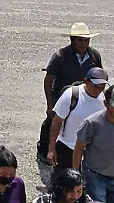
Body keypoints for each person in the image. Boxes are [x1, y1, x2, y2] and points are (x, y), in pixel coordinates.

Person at [39, 22, 104, 164]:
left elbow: (99, 77)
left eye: (86, 40)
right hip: (62, 96)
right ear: (72, 40)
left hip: (86, 95)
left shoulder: (94, 56)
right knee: (53, 121)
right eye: (80, 40)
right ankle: (45, 149)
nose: (83, 43)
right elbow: (49, 79)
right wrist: (50, 104)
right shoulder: (60, 56)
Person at [73, 85, 114, 203]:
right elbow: (79, 149)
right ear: (106, 103)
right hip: (95, 176)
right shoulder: (92, 123)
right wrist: (76, 175)